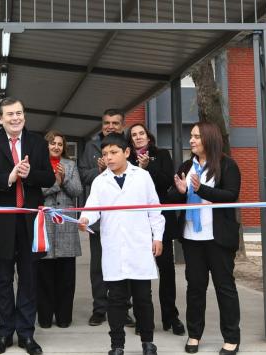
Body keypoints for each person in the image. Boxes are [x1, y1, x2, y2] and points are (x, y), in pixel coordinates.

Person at [0, 97, 54, 355]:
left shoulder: (38, 143)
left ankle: (26, 335)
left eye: (19, 113)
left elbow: (49, 177)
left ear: (24, 115)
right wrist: (8, 178)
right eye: (10, 114)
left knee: (29, 280)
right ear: (0, 119)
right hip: (1, 223)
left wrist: (30, 174)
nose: (15, 118)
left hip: (30, 221)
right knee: (3, 280)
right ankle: (4, 333)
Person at [78, 133, 164, 355]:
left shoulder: (142, 177)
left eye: (114, 152)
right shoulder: (100, 181)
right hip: (114, 248)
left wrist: (158, 237)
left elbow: (155, 210)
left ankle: (148, 342)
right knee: (115, 300)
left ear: (127, 152)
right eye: (105, 154)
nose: (109, 157)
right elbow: (92, 208)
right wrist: (85, 220)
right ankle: (117, 345)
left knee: (143, 299)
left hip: (139, 247)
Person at [169, 122, 241, 355]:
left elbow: (231, 195)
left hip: (218, 238)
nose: (191, 140)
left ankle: (231, 338)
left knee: (225, 288)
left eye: (197, 137)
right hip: (192, 237)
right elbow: (172, 198)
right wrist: (181, 192)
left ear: (209, 139)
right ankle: (194, 335)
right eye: (191, 136)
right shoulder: (186, 166)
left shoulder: (227, 165)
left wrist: (201, 191)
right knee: (195, 288)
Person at [77, 109, 134, 328]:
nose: (110, 126)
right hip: (100, 221)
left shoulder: (129, 148)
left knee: (124, 266)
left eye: (115, 123)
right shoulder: (91, 147)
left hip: (126, 221)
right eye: (107, 123)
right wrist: (99, 170)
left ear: (123, 125)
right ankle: (100, 309)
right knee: (99, 267)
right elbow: (83, 176)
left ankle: (123, 309)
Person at [126, 123, 184, 336]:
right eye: (134, 135)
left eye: (141, 133)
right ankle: (143, 320)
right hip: (137, 224)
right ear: (130, 141)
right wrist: (138, 168)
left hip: (160, 221)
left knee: (166, 271)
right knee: (141, 273)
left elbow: (165, 182)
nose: (139, 137)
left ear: (148, 136)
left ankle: (171, 317)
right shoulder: (127, 159)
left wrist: (148, 167)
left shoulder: (162, 155)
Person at [36, 130, 83, 329]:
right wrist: (57, 181)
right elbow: (38, 191)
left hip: (65, 225)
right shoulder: (38, 165)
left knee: (66, 276)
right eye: (52, 143)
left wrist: (64, 180)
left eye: (60, 144)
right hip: (44, 223)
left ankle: (64, 317)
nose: (56, 147)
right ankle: (45, 318)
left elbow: (77, 191)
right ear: (45, 145)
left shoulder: (71, 165)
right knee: (44, 275)